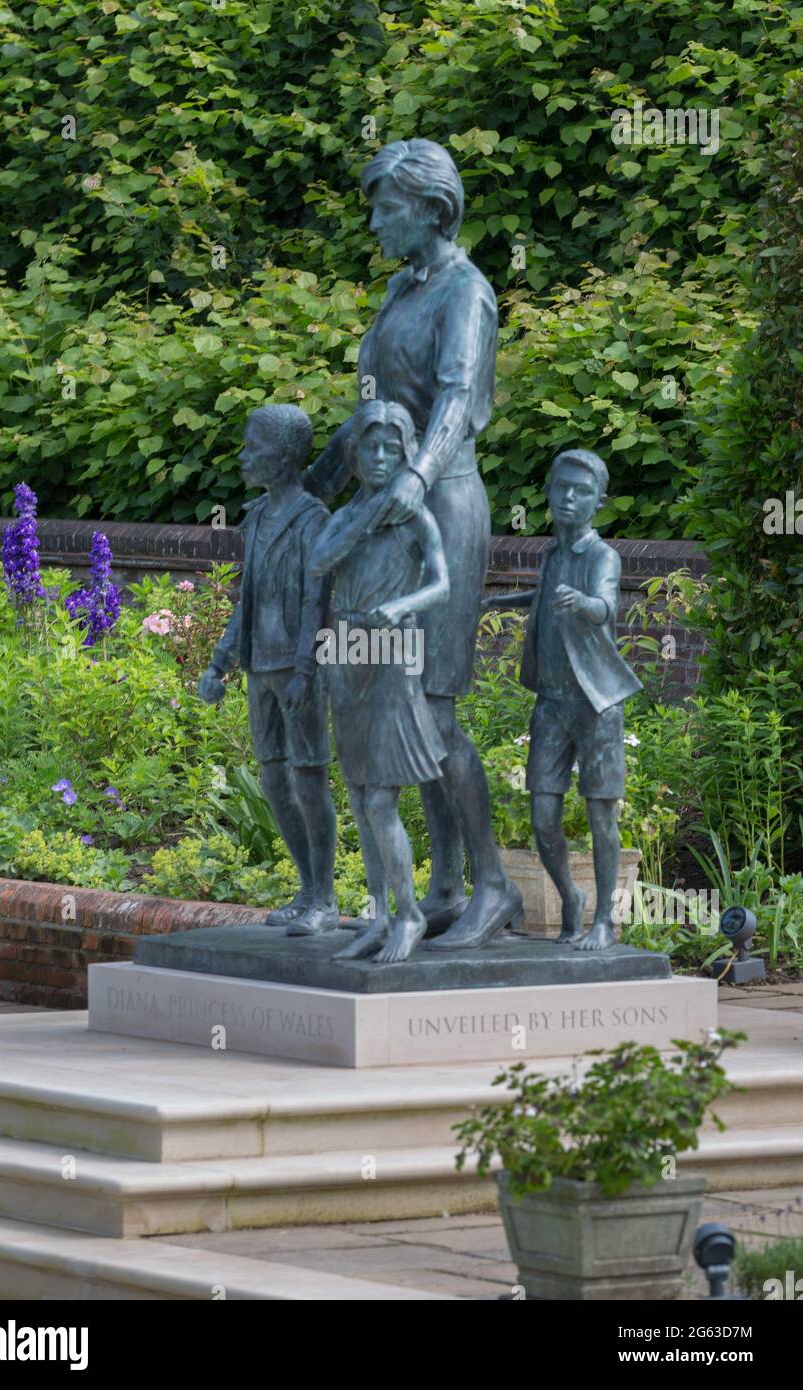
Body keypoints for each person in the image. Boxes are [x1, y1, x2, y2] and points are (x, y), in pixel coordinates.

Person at [306, 138, 523, 950]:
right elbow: (372, 414)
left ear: (435, 210)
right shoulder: (402, 291)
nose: (374, 222)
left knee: (431, 702)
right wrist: (309, 490)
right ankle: (441, 887)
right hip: (386, 516)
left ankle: (494, 885)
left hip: (444, 506)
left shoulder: (467, 292)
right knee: (398, 705)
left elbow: (459, 400)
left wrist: (417, 480)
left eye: (386, 207)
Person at [485, 448, 643, 951]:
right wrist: (497, 600)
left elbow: (605, 604)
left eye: (581, 491)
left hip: (596, 704)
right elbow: (542, 596)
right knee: (541, 816)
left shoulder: (603, 556)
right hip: (551, 703)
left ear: (598, 501)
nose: (569, 498)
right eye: (562, 488)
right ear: (550, 494)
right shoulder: (552, 555)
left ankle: (604, 923)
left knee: (600, 814)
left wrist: (586, 606)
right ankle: (570, 899)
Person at [309, 401, 449, 963]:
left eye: (394, 448)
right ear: (356, 453)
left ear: (408, 452)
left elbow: (442, 583)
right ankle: (377, 914)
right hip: (347, 655)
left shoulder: (418, 516)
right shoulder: (348, 516)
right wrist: (370, 511)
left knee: (382, 799)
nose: (382, 457)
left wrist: (402, 607)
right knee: (361, 796)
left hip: (392, 654)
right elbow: (319, 561)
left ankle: (410, 916)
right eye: (371, 447)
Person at [198, 405, 339, 936]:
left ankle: (325, 898)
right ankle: (307, 888)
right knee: (274, 779)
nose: (242, 455)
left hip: (298, 670)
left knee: (309, 777)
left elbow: (316, 603)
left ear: (282, 457)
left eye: (251, 446)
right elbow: (246, 600)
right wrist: (221, 661)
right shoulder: (255, 518)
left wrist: (306, 670)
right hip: (260, 664)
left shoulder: (313, 520)